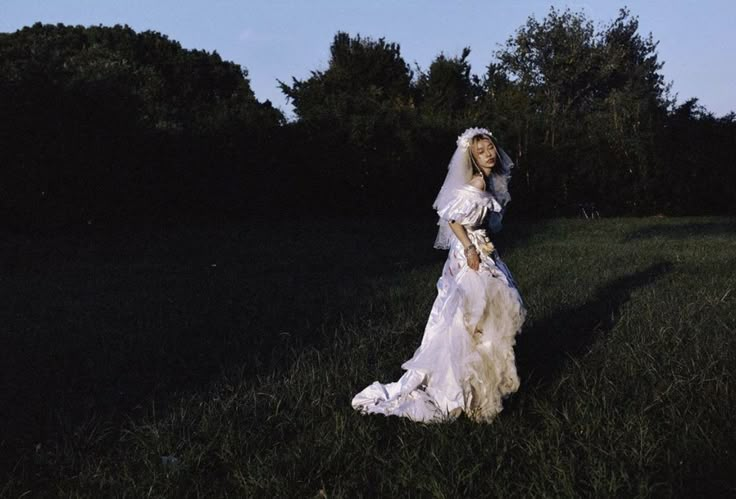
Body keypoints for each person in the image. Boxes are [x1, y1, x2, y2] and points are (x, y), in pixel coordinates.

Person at [351, 127, 527, 423]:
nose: (488, 154)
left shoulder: (486, 181)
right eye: (481, 151)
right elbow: (452, 217)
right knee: (471, 317)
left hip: (482, 251)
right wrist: (470, 248)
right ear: (471, 156)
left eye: (490, 148)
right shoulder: (475, 180)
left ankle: (479, 387)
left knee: (481, 318)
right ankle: (463, 388)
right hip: (471, 256)